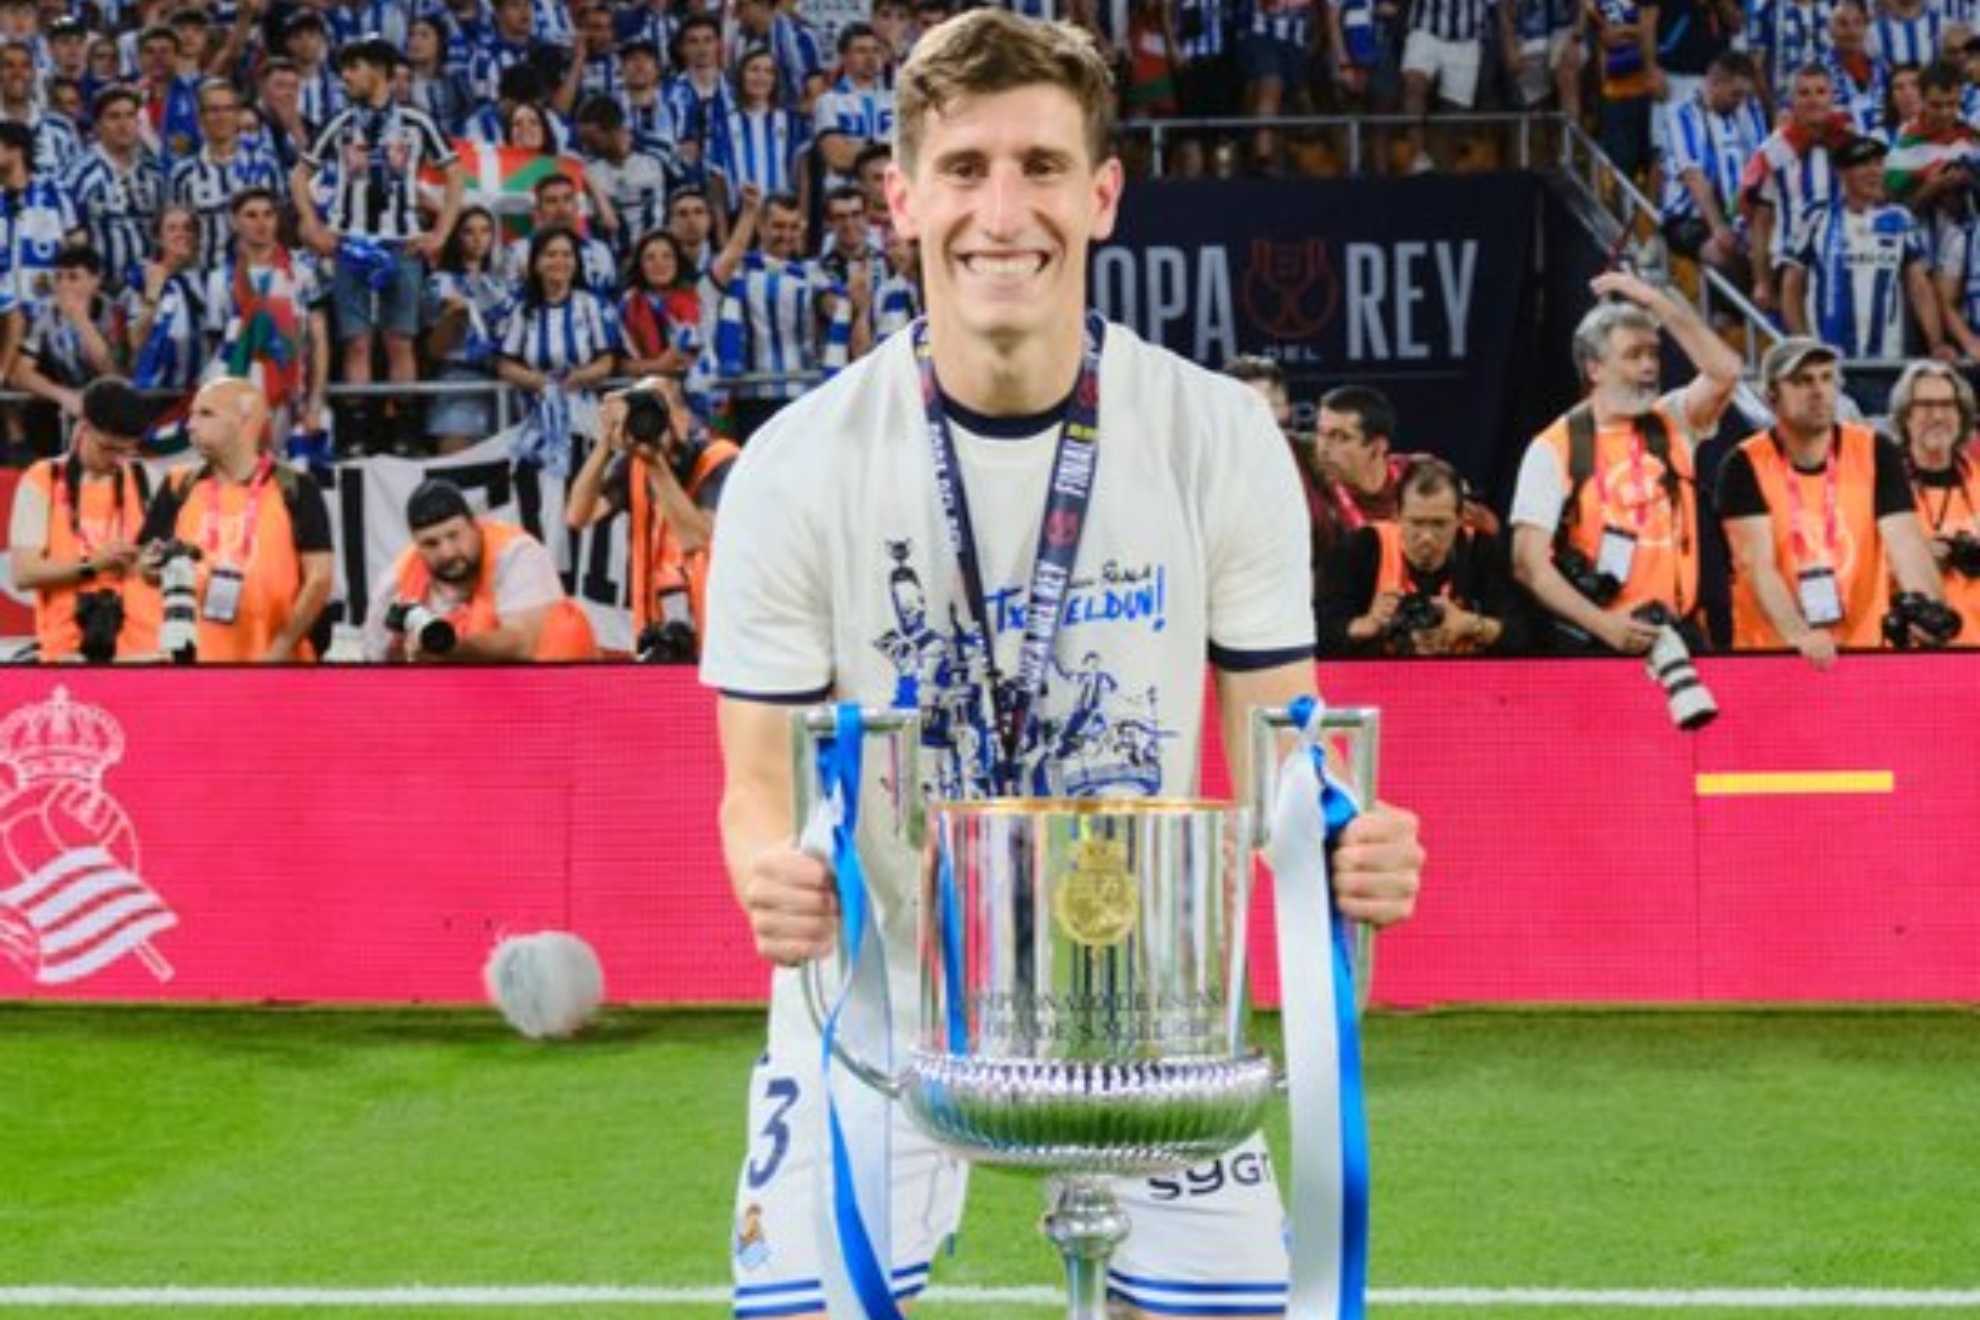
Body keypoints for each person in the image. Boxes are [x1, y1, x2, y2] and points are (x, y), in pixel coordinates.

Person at [700, 13, 1424, 1320]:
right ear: (901, 197)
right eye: (966, 168)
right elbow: (754, 785)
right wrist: (770, 873)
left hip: (1142, 992)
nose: (1002, 210)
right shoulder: (794, 468)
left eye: (1041, 167)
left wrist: (1344, 830)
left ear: (1101, 196)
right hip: (882, 981)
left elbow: (1286, 747)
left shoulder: (1218, 437)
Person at [1509, 270, 1742, 653]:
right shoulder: (1553, 446)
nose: (1650, 366)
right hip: (1597, 641)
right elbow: (1528, 564)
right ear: (1594, 368)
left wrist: (1656, 302)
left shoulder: (1674, 421)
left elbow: (1725, 372)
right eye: (1634, 355)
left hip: (1677, 635)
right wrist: (1604, 626)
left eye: (1653, 352)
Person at [1714, 336, 1952, 664]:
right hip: (1773, 655)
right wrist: (1801, 635)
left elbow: (1906, 543)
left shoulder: (1875, 451)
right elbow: (1757, 566)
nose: (1818, 391)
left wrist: (1929, 610)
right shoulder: (1743, 463)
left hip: (1863, 653)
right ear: (1771, 397)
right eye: (1802, 381)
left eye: (1826, 378)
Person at [137, 376, 334, 663]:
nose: (190, 425)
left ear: (244, 421)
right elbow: (147, 566)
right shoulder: (178, 484)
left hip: (279, 664)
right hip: (196, 666)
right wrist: (150, 566)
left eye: (205, 413)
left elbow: (320, 579)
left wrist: (280, 649)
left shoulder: (296, 487)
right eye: (191, 414)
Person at [566, 375, 737, 660]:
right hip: (658, 634)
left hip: (719, 637)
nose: (649, 421)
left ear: (682, 417)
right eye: (639, 413)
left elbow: (697, 538)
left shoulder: (721, 460)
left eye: (657, 409)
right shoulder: (635, 465)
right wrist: (605, 444)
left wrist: (654, 463)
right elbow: (577, 515)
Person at [363, 478, 599, 662]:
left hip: (553, 691)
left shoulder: (516, 552)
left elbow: (522, 643)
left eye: (454, 535)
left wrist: (449, 650)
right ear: (416, 545)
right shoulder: (395, 582)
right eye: (431, 543)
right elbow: (373, 662)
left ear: (475, 525)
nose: (447, 552)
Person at [8, 378, 160, 663]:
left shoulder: (147, 478)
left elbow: (164, 566)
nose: (118, 460)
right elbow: (24, 573)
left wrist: (151, 563)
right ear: (83, 427)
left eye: (127, 451)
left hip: (142, 651)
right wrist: (93, 565)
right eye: (108, 448)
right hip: (67, 651)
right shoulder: (43, 479)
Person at [1319, 456, 1526, 655]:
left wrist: (1471, 625)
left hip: (1465, 680)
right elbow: (1319, 632)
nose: (1427, 537)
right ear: (1397, 516)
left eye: (1439, 524)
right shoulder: (1359, 549)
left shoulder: (1483, 551)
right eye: (1416, 523)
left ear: (1460, 517)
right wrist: (1367, 624)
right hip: (1382, 680)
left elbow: (1525, 635)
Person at [1888, 358, 1980, 644]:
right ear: (1905, 416)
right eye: (1926, 405)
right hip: (1908, 649)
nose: (1938, 415)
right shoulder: (1882, 486)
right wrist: (1912, 560)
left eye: (1947, 405)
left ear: (1962, 415)